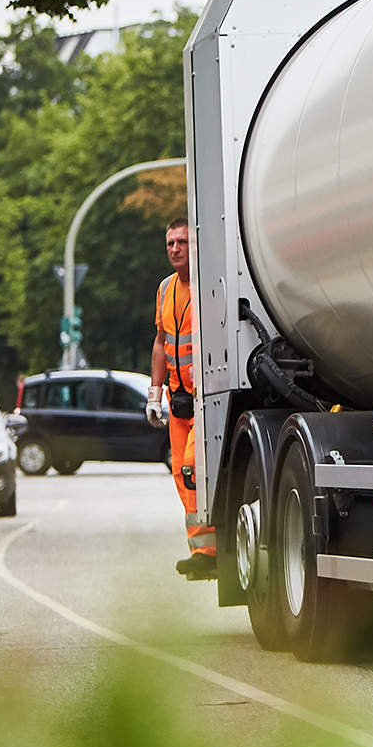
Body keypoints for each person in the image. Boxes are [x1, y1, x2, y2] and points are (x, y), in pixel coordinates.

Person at [150, 217, 216, 579]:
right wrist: (153, 395)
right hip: (178, 400)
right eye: (170, 243)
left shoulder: (209, 286)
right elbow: (161, 343)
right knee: (180, 471)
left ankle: (210, 548)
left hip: (206, 398)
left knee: (193, 465)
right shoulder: (165, 289)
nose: (175, 249)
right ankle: (201, 547)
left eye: (182, 242)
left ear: (196, 245)